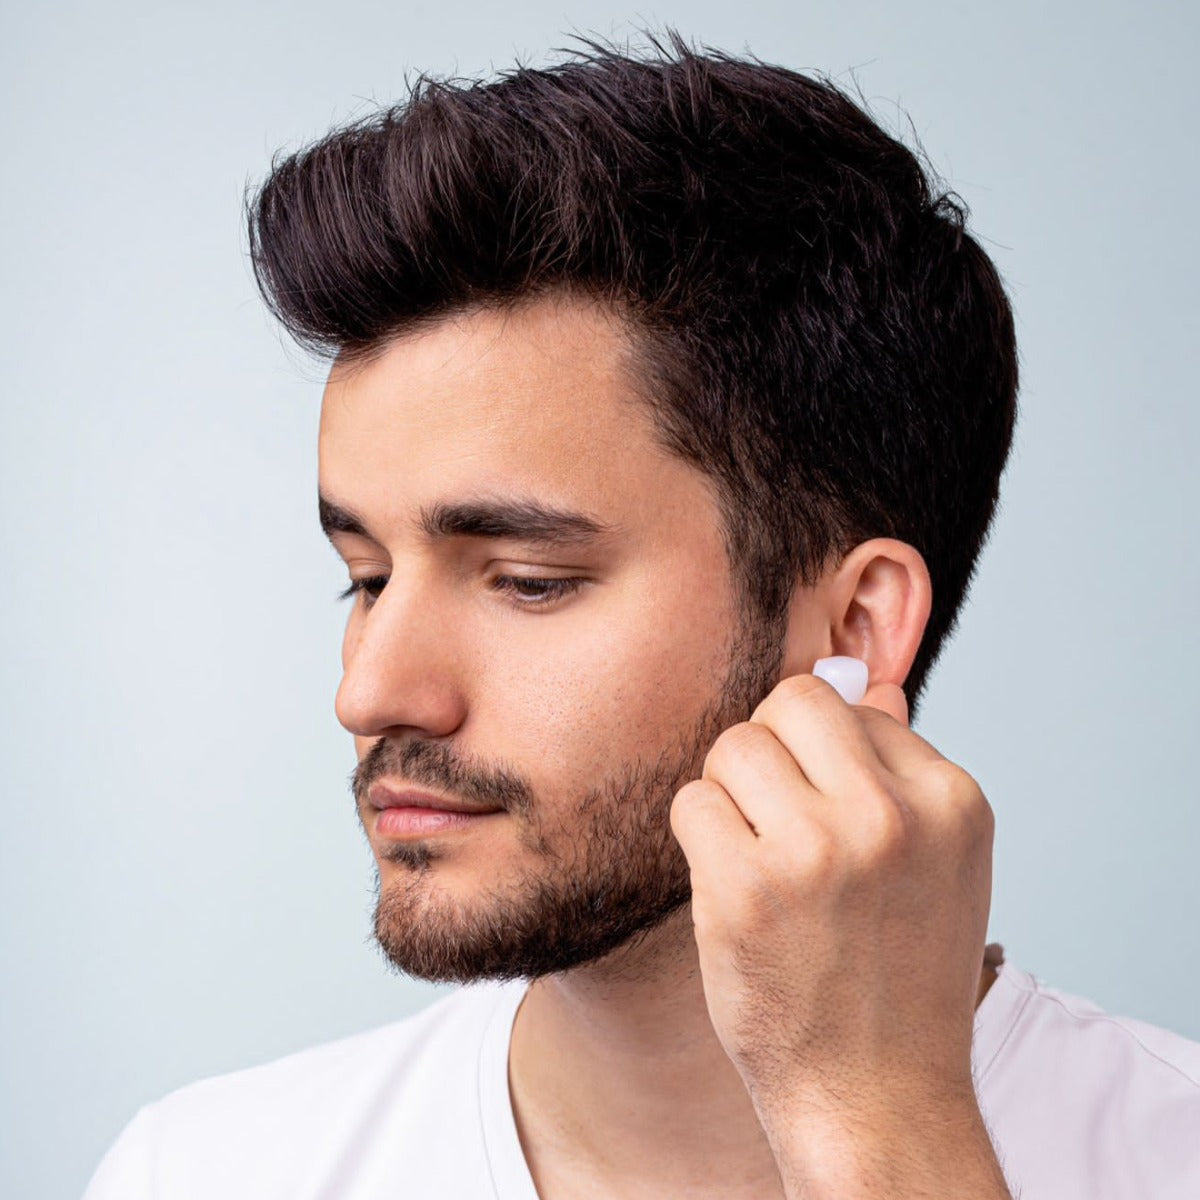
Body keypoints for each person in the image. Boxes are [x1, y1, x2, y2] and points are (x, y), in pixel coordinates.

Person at [83, 33, 1199, 1200]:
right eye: (366, 578)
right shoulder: (202, 1171)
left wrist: (876, 1134)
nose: (369, 694)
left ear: (856, 627)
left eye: (526, 580)